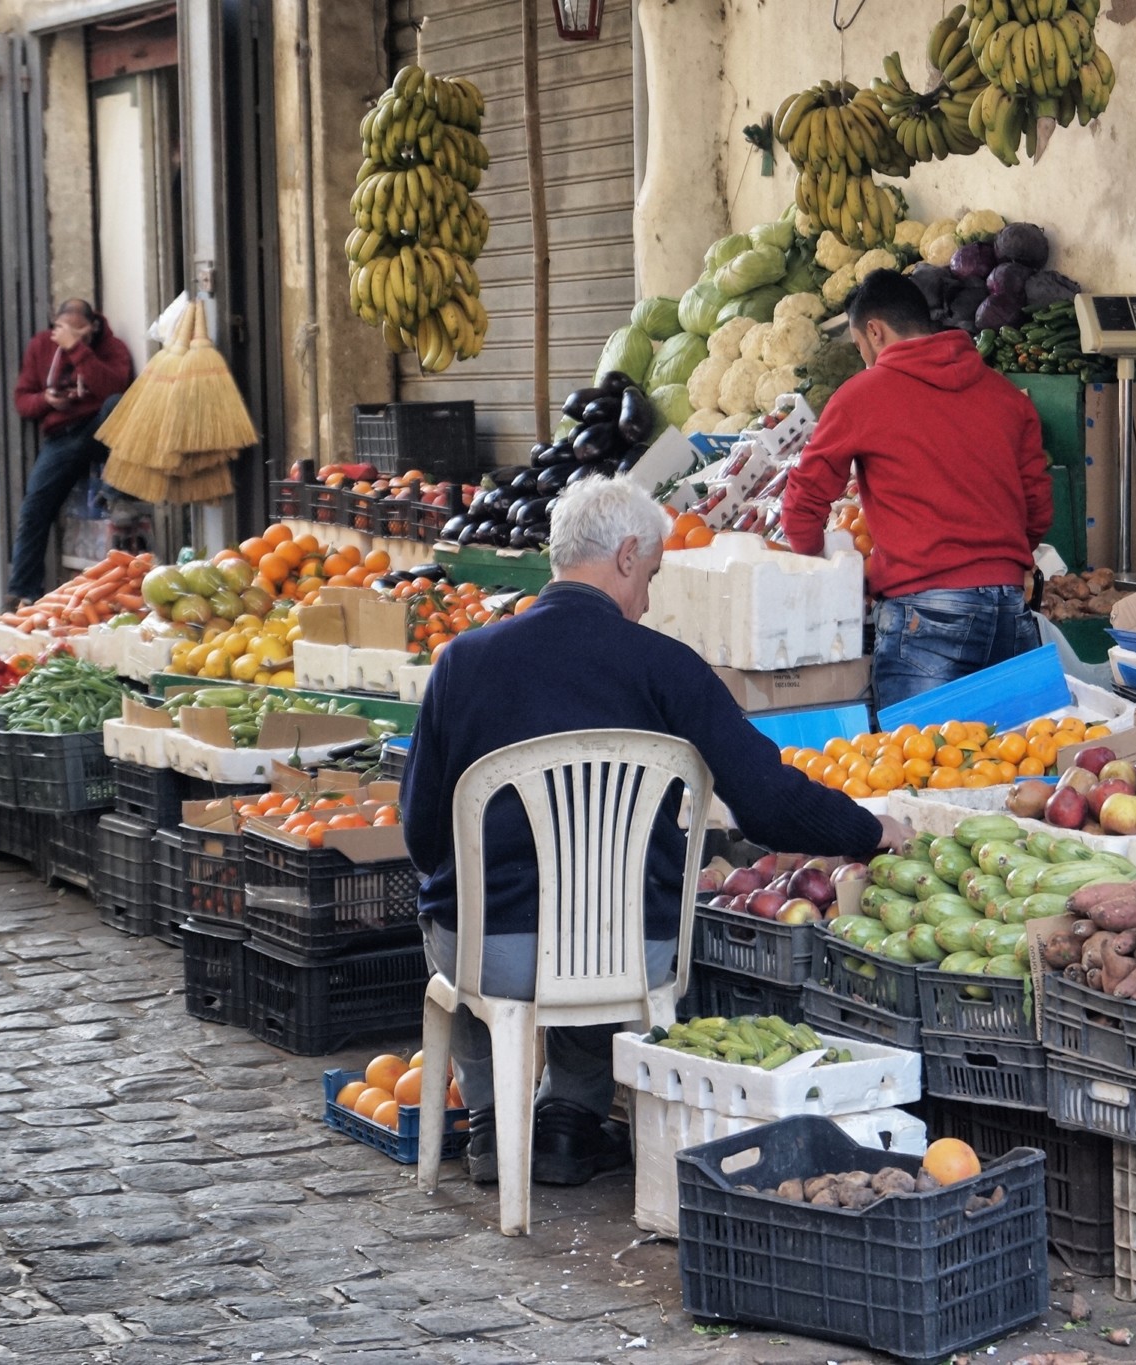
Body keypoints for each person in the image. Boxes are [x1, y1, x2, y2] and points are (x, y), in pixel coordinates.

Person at [401, 477, 910, 1188]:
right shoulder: (667, 666)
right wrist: (869, 829)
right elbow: (766, 803)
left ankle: (489, 1120)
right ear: (628, 554)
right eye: (652, 577)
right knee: (604, 910)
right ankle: (570, 1121)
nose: (648, 599)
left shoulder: (463, 661)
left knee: (443, 903)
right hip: (626, 953)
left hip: (494, 957)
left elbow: (422, 833)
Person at [780, 269, 1053, 709]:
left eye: (859, 347)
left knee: (918, 770)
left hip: (925, 619)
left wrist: (820, 566)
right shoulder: (1006, 396)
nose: (863, 358)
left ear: (874, 330)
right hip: (1008, 611)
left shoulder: (862, 395)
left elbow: (803, 500)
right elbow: (1038, 508)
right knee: (1014, 765)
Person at [9, 299, 135, 604]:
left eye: (80, 335)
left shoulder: (111, 347)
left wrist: (77, 349)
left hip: (97, 430)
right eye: (63, 333)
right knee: (35, 507)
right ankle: (21, 593)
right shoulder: (41, 345)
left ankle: (116, 489)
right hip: (61, 435)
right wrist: (47, 401)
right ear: (55, 324)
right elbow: (22, 400)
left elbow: (113, 388)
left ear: (92, 328)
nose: (67, 340)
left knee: (116, 403)